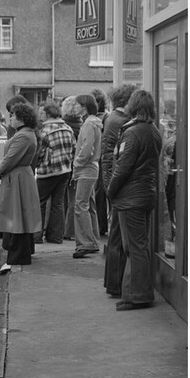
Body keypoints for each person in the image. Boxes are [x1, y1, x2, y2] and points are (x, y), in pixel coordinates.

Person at [107, 89, 162, 310]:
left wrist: (110, 190)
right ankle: (136, 293)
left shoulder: (132, 133)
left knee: (134, 247)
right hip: (145, 194)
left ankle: (137, 296)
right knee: (139, 245)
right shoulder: (154, 131)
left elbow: (123, 167)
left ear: (133, 106)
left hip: (130, 197)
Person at [0, 102, 42, 272]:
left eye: (13, 115)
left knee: (17, 217)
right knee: (21, 215)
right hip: (19, 177)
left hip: (18, 178)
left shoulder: (23, 136)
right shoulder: (25, 134)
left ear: (21, 118)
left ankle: (17, 257)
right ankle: (21, 253)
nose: (10, 118)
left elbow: (10, 158)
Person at [101, 83, 138, 296]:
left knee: (115, 234)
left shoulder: (113, 118)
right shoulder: (121, 121)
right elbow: (115, 157)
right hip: (117, 182)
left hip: (112, 180)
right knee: (117, 236)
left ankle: (113, 283)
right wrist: (111, 187)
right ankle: (116, 284)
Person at [32, 101, 76, 245]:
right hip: (65, 170)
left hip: (48, 171)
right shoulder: (68, 128)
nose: (40, 116)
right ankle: (56, 237)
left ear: (48, 114)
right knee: (58, 204)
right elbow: (74, 148)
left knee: (39, 202)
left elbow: (39, 153)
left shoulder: (45, 131)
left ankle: (36, 236)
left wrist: (36, 164)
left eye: (42, 113)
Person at [71, 94, 104, 258]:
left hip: (86, 169)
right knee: (89, 206)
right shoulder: (93, 123)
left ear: (84, 106)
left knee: (80, 206)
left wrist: (76, 163)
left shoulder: (88, 124)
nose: (74, 107)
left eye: (77, 104)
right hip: (91, 169)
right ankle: (92, 240)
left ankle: (86, 243)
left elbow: (87, 149)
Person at [61, 95, 84, 240]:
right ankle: (70, 231)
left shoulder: (63, 125)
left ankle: (61, 230)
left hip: (63, 166)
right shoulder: (82, 126)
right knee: (73, 199)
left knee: (61, 200)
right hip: (77, 166)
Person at [91, 88, 110, 236]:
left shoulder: (103, 119)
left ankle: (100, 225)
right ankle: (100, 225)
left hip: (100, 159)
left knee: (100, 192)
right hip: (99, 158)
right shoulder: (104, 117)